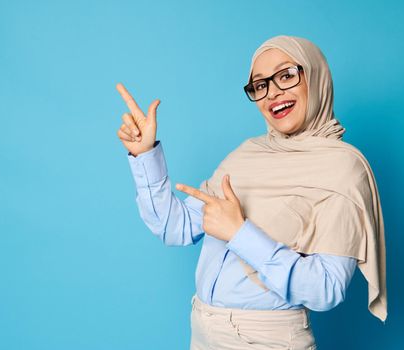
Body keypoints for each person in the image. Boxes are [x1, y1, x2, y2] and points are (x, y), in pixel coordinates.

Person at [116, 35, 387, 350]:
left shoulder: (342, 169)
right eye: (260, 85)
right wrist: (144, 154)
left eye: (286, 76)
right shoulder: (246, 156)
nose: (273, 93)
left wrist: (239, 233)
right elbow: (174, 227)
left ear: (314, 76)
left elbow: (325, 290)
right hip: (203, 329)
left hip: (267, 339)